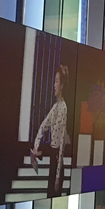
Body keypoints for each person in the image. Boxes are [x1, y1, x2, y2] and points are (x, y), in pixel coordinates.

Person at [31, 64, 71, 198]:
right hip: (54, 162)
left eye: (56, 81)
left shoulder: (63, 108)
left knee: (53, 193)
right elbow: (43, 126)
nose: (54, 85)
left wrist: (57, 177)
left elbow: (60, 146)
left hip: (57, 164)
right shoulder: (55, 107)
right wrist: (36, 146)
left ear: (62, 85)